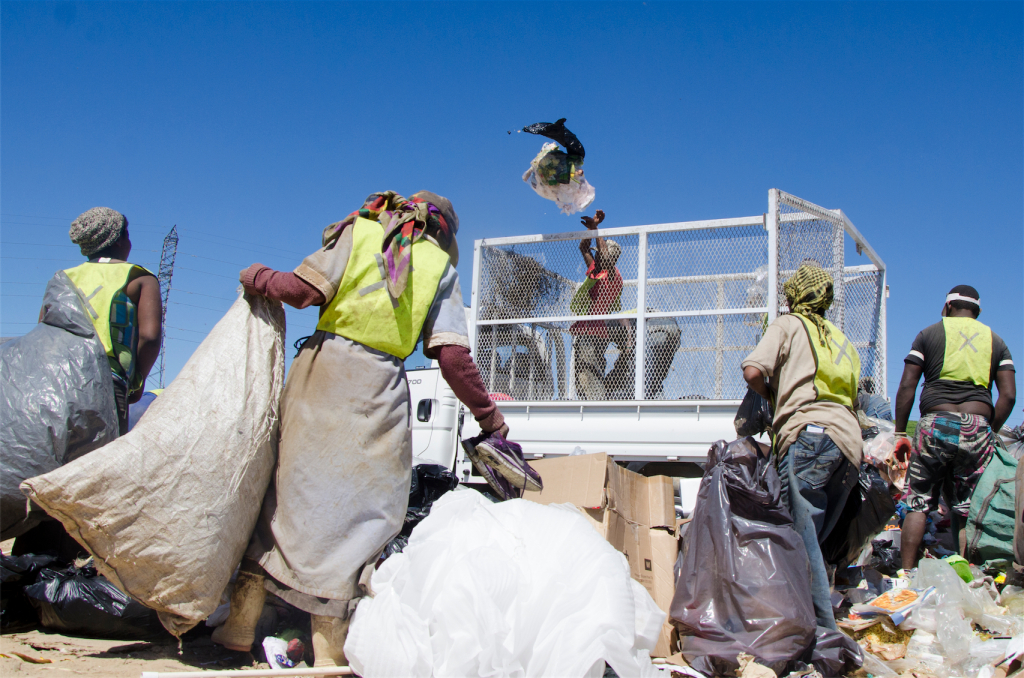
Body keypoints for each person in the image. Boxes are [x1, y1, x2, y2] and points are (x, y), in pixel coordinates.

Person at [212, 191, 531, 671]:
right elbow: (452, 357)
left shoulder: (359, 233)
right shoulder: (441, 270)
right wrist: (490, 418)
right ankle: (328, 648)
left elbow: (301, 291)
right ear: (443, 233)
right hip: (379, 392)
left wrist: (256, 277)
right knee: (357, 514)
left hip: (322, 377)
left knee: (286, 499)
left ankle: (239, 627)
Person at [741, 264, 861, 630]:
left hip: (809, 434)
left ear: (793, 296)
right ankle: (805, 619)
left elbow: (752, 371)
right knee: (816, 541)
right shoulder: (842, 340)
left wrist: (772, 396)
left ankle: (820, 635)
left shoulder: (789, 324)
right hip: (848, 443)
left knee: (799, 541)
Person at [894, 285, 1016, 571]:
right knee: (967, 506)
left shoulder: (928, 334)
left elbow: (907, 385)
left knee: (918, 502)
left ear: (947, 307)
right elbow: (1008, 395)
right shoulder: (996, 341)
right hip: (977, 425)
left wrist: (900, 432)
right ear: (977, 312)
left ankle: (907, 576)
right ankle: (971, 576)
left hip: (935, 422)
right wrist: (989, 430)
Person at [63, 207, 163, 435]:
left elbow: (44, 333)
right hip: (109, 381)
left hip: (62, 380)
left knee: (61, 461)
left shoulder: (64, 278)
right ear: (120, 240)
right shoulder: (139, 277)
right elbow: (149, 337)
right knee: (101, 459)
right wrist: (137, 381)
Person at [569, 210, 633, 399]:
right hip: (587, 333)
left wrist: (597, 229)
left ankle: (597, 406)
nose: (596, 257)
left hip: (593, 334)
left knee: (588, 378)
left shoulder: (613, 276)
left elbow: (604, 257)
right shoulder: (596, 271)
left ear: (613, 259)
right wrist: (590, 229)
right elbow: (583, 248)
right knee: (585, 377)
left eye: (602, 254)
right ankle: (596, 402)